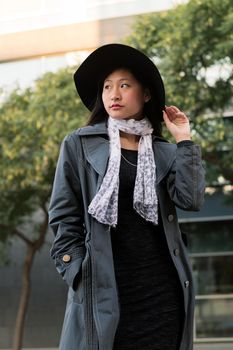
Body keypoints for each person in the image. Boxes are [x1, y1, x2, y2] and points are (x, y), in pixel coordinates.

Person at [48, 43, 205, 350]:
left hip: (162, 296)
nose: (114, 94)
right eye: (107, 87)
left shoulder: (166, 152)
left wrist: (184, 140)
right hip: (105, 292)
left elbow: (191, 200)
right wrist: (78, 272)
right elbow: (64, 217)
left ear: (145, 94)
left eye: (124, 85)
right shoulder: (79, 145)